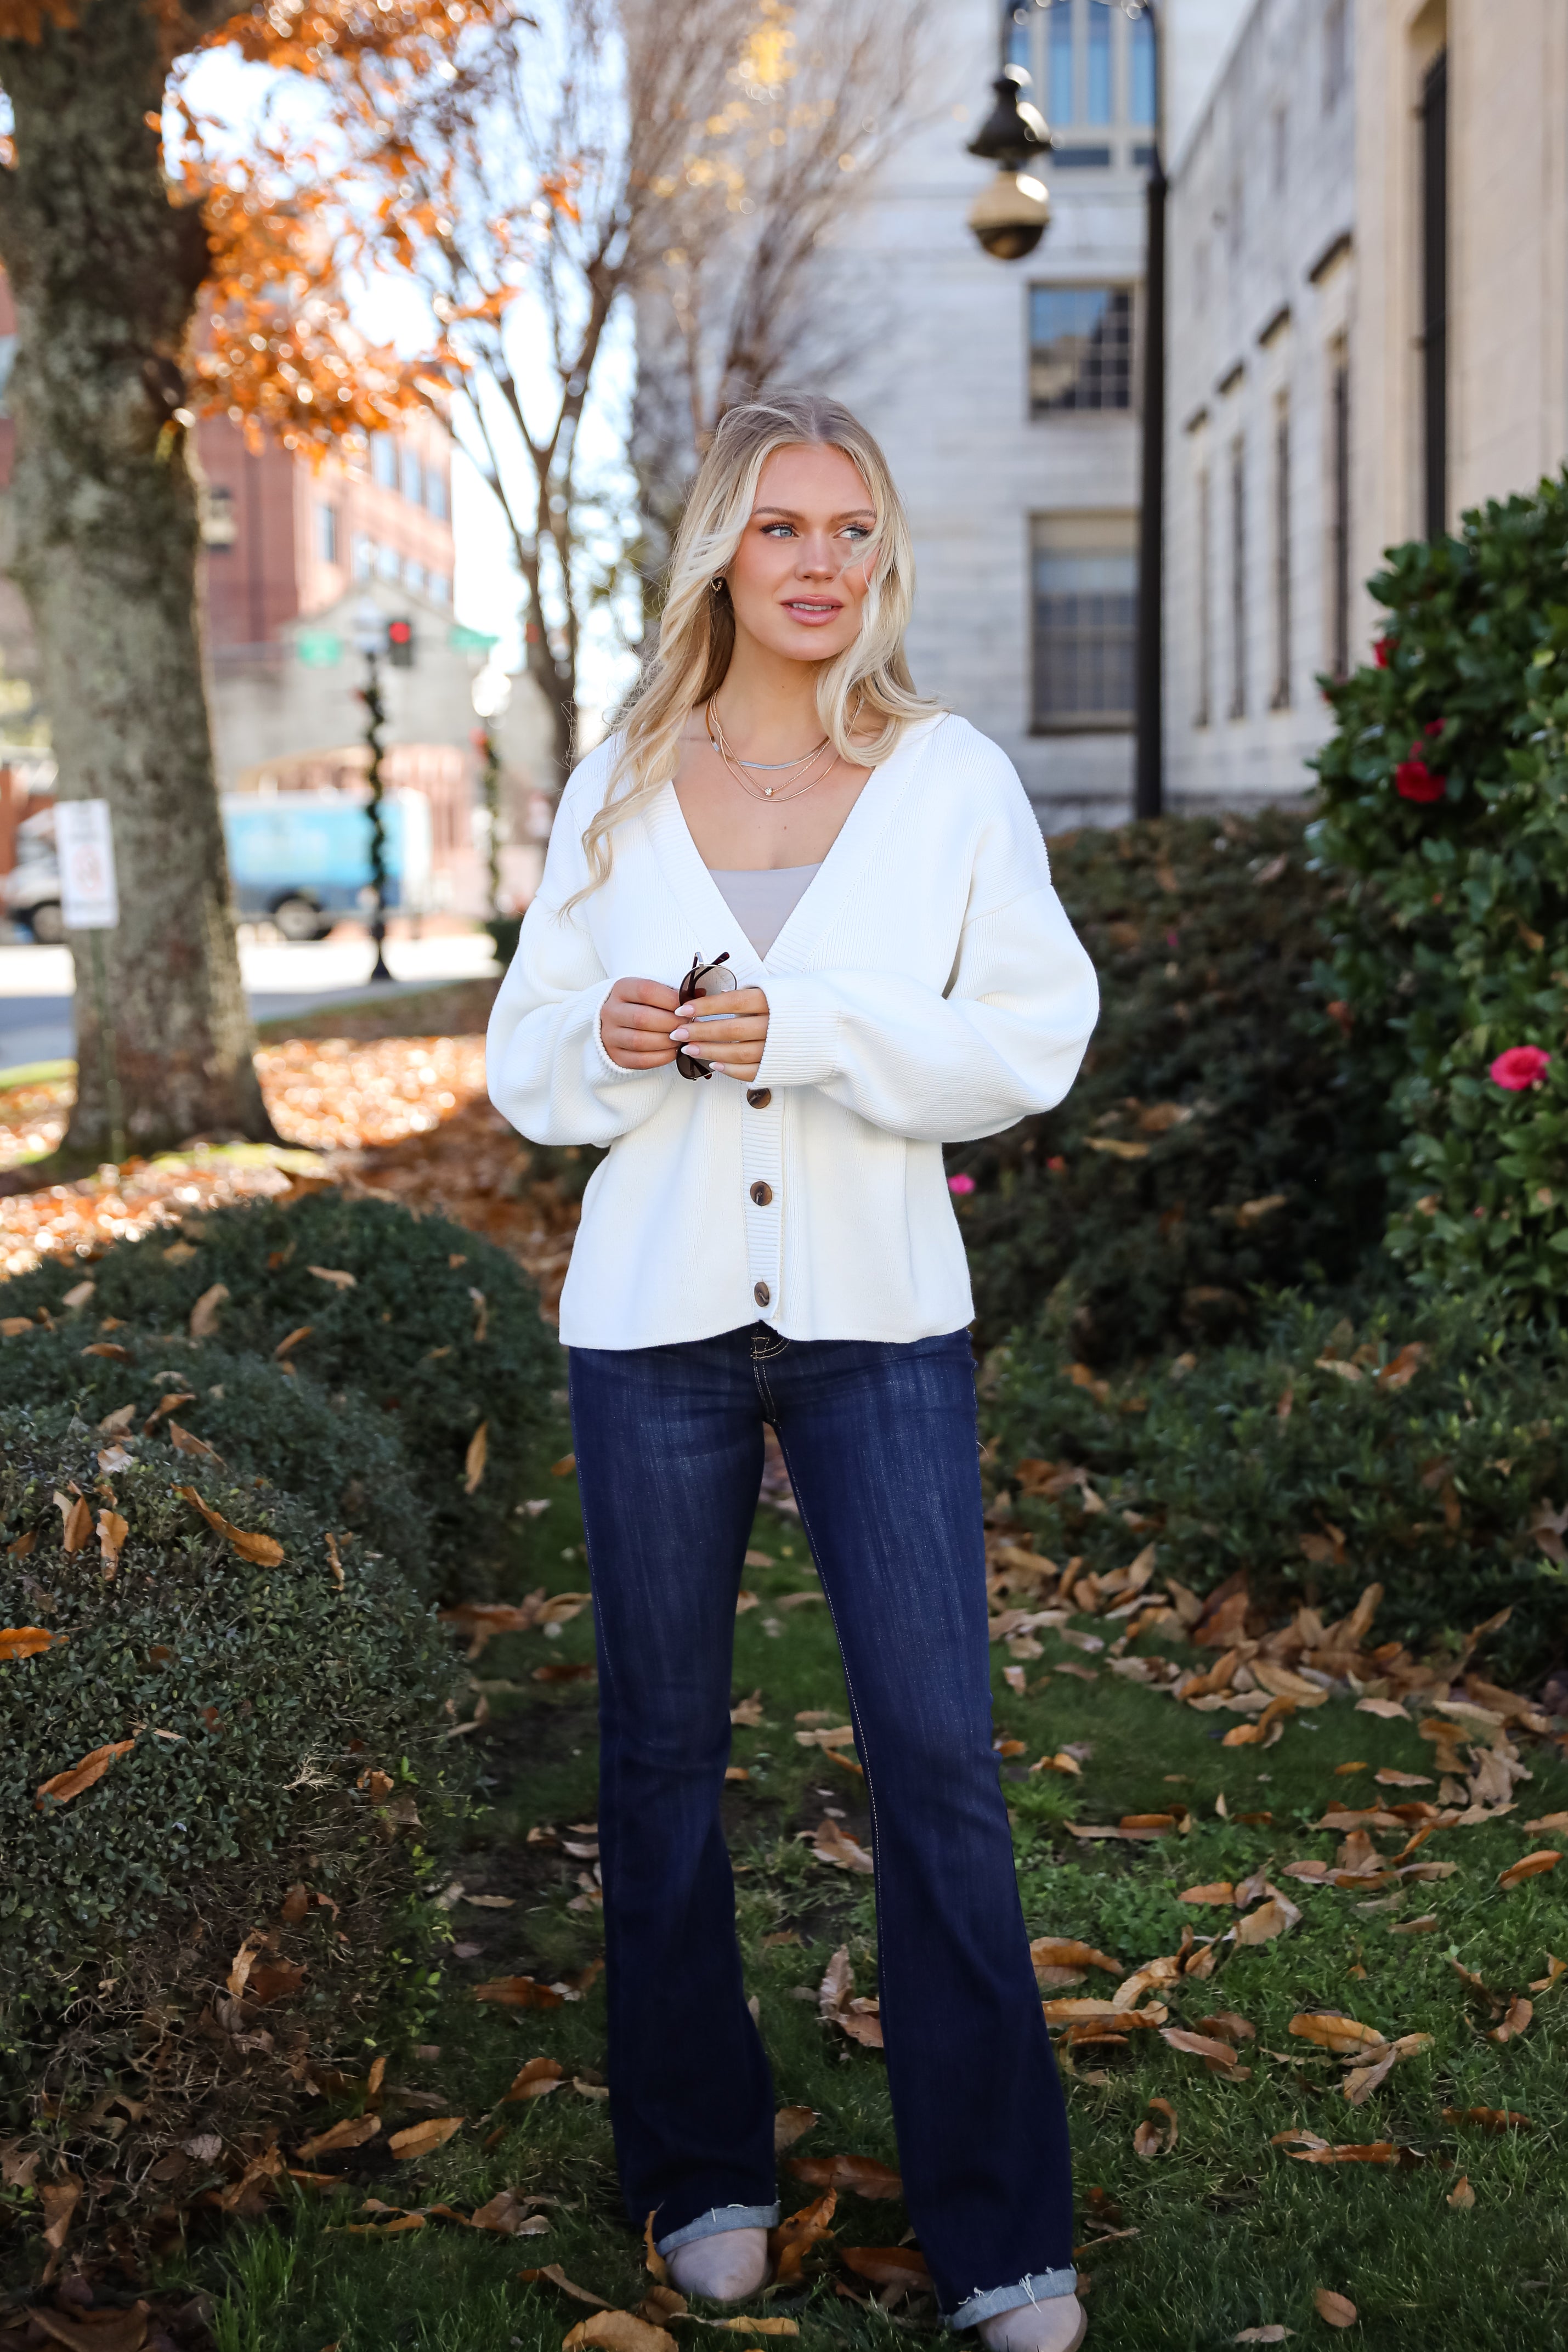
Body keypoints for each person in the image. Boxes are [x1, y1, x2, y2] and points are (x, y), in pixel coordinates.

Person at [487, 389, 1099, 2352]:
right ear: (719, 559)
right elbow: (526, 1066)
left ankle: (1002, 2230)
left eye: (849, 527)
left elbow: (1030, 1036)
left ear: (880, 554)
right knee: (658, 1760)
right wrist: (629, 1032)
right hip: (652, 1324)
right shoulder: (618, 785)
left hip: (877, 1322)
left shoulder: (949, 780)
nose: (820, 562)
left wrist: (803, 1027)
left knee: (935, 1764)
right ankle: (701, 2165)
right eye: (780, 529)